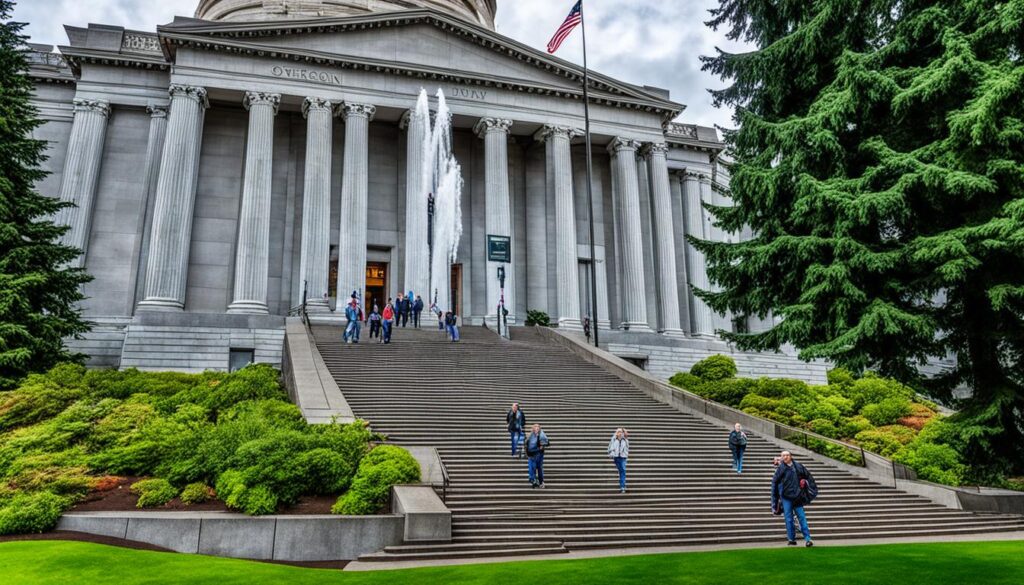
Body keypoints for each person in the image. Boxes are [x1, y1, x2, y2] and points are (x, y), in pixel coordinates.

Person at [771, 451, 817, 547]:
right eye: (783, 455)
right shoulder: (780, 469)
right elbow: (774, 485)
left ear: (791, 456)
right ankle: (791, 539)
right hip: (785, 497)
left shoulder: (798, 467)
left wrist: (804, 481)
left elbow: (808, 477)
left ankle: (808, 539)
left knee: (802, 517)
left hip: (797, 496)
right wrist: (774, 502)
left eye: (787, 455)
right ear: (781, 457)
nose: (785, 457)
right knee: (788, 519)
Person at [524, 423, 549, 488]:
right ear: (533, 429)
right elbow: (526, 444)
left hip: (539, 455)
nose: (537, 429)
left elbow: (546, 443)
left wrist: (542, 445)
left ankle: (540, 481)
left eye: (538, 427)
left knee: (539, 468)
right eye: (535, 427)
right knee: (532, 468)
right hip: (531, 455)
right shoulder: (530, 436)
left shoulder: (542, 435)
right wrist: (527, 452)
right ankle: (534, 480)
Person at [607, 427, 630, 493]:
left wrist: (626, 454)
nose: (620, 433)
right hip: (616, 457)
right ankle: (623, 485)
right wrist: (612, 454)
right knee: (621, 471)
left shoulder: (625, 439)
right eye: (618, 432)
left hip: (623, 457)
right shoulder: (614, 439)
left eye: (621, 432)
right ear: (616, 433)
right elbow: (610, 447)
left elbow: (627, 447)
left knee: (623, 470)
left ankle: (622, 487)